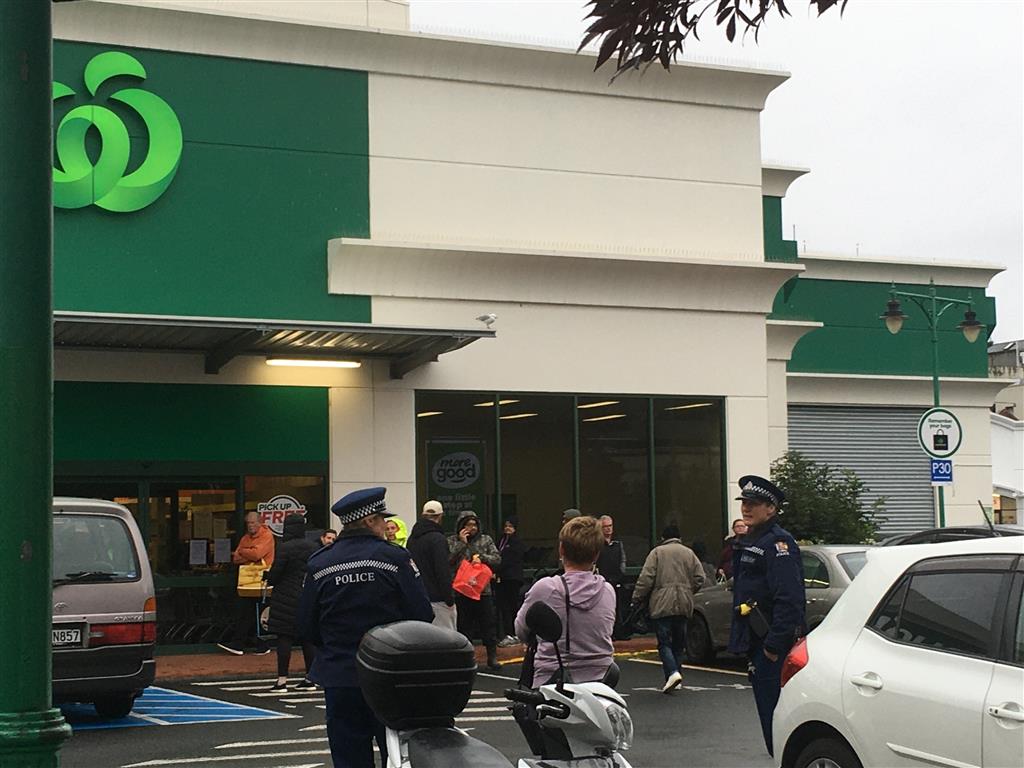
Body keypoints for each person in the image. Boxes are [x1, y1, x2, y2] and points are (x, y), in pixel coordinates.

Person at [297, 487, 433, 768]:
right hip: (390, 674)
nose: (386, 525)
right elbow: (422, 614)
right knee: (398, 755)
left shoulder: (320, 563)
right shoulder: (394, 558)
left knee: (348, 756)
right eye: (382, 519)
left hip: (340, 675)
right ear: (369, 520)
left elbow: (306, 625)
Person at [727, 475, 805, 757]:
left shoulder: (778, 544)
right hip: (756, 644)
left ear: (771, 508)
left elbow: (789, 599)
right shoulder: (752, 540)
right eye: (744, 503)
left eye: (754, 504)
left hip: (771, 649)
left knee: (778, 725)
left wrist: (773, 647)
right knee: (769, 723)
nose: (746, 509)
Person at [515, 516, 616, 688]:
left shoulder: (546, 588)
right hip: (601, 680)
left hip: (554, 680)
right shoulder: (608, 590)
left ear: (561, 550)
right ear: (597, 554)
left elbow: (521, 630)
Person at [631, 523, 705, 693]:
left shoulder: (657, 553)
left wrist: (637, 598)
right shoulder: (689, 553)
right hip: (684, 602)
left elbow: (646, 578)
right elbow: (700, 577)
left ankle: (672, 673)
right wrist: (688, 589)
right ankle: (677, 676)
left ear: (663, 538)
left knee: (664, 643)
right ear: (679, 537)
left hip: (662, 602)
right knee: (679, 643)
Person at [264, 513, 319, 691]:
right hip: (306, 595)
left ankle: (282, 680)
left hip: (285, 596)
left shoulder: (284, 547)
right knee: (307, 639)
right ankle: (310, 677)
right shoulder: (313, 546)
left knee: (284, 638)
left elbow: (275, 574)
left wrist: (267, 577)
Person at [448, 512, 502, 671]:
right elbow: (448, 560)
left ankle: (492, 656)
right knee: (464, 625)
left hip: (482, 590)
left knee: (488, 623)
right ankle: (467, 657)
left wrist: (483, 558)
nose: (472, 528)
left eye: (474, 525)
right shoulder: (452, 541)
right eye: (468, 525)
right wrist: (461, 543)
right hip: (462, 590)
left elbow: (497, 559)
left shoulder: (486, 540)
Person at [218, 511, 276, 655]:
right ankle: (247, 643)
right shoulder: (245, 538)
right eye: (248, 523)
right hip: (247, 583)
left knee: (258, 613)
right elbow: (236, 558)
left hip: (261, 582)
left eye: (253, 523)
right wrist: (249, 554)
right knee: (246, 612)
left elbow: (257, 555)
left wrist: (245, 552)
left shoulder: (267, 536)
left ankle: (258, 644)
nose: (250, 526)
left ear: (260, 522)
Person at [407, 499, 456, 630]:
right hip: (439, 599)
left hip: (419, 597)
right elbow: (442, 570)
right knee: (447, 641)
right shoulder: (438, 539)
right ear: (440, 516)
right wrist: (449, 598)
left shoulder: (412, 539)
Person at [495, 516, 527, 646]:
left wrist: (499, 568)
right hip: (501, 578)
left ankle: (515, 633)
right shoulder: (501, 541)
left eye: (511, 526)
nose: (508, 528)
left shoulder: (517, 543)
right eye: (506, 526)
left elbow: (509, 559)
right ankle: (506, 632)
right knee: (503, 607)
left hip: (512, 577)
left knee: (513, 606)